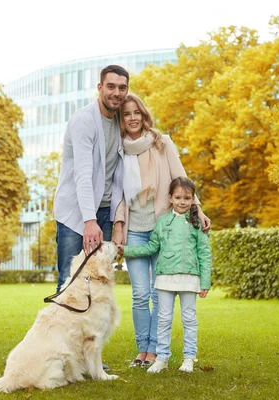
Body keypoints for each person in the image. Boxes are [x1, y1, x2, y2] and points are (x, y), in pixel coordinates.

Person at [112, 94, 210, 368]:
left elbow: (181, 177)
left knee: (158, 293)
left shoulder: (162, 142)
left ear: (144, 115)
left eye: (137, 113)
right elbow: (117, 192)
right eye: (126, 114)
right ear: (122, 119)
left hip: (162, 227)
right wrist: (119, 226)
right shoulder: (119, 150)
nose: (132, 118)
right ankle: (142, 349)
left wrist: (198, 208)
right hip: (134, 229)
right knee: (140, 293)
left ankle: (155, 352)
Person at [118, 176, 211, 373]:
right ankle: (161, 357)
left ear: (193, 199)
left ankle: (189, 358)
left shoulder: (196, 223)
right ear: (170, 198)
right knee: (163, 319)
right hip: (165, 278)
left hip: (189, 278)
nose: (182, 202)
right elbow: (152, 246)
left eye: (187, 198)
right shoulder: (162, 222)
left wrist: (205, 282)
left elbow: (204, 253)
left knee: (189, 319)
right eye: (178, 197)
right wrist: (126, 251)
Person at [53, 64, 129, 293]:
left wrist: (118, 223)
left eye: (122, 87)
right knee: (70, 279)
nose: (116, 93)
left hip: (105, 212)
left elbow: (121, 177)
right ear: (100, 87)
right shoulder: (83, 121)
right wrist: (89, 221)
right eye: (111, 86)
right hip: (76, 213)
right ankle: (62, 328)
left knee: (99, 280)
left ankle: (90, 330)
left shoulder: (121, 122)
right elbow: (83, 175)